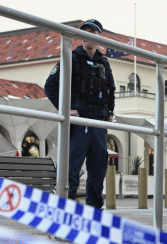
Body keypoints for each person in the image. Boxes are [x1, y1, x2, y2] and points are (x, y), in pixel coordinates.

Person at [44, 19, 115, 209]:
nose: (87, 35)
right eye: (85, 31)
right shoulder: (71, 58)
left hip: (99, 124)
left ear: (99, 37)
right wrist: (65, 109)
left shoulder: (104, 63)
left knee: (98, 170)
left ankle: (94, 211)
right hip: (79, 123)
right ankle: (64, 210)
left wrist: (110, 112)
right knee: (70, 169)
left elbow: (111, 89)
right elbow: (50, 86)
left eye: (92, 32)